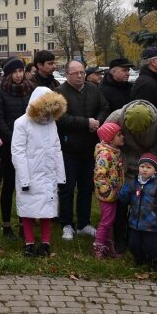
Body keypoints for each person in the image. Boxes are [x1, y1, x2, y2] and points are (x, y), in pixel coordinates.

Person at [104, 100, 157, 254]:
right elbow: (106, 139)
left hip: (144, 163)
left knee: (141, 201)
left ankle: (136, 235)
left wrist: (146, 167)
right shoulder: (116, 116)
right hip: (121, 160)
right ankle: (119, 236)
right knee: (120, 200)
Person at [56, 60, 110, 240]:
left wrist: (97, 122)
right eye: (75, 73)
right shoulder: (59, 93)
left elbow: (104, 107)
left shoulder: (93, 89)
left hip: (90, 148)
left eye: (82, 72)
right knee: (67, 188)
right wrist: (85, 123)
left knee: (86, 187)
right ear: (67, 75)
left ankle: (84, 223)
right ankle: (66, 224)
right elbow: (60, 118)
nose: (80, 76)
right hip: (68, 148)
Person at [11, 87, 67, 257]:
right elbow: (18, 151)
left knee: (47, 210)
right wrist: (24, 179)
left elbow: (57, 149)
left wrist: (60, 175)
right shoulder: (22, 123)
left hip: (48, 173)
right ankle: (29, 243)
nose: (46, 115)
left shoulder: (51, 124)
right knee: (27, 209)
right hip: (29, 173)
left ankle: (45, 243)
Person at [0, 57, 34, 239]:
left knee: (27, 185)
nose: (18, 75)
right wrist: (14, 137)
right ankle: (6, 224)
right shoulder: (0, 91)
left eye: (20, 71)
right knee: (9, 185)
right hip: (9, 144)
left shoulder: (31, 88)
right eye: (14, 72)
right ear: (8, 74)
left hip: (30, 145)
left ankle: (25, 222)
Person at [117, 153, 157, 271]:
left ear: (155, 171)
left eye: (148, 167)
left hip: (151, 224)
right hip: (135, 222)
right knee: (133, 244)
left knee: (150, 246)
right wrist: (124, 191)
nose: (144, 170)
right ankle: (139, 258)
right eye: (142, 167)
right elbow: (124, 200)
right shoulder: (133, 182)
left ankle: (155, 260)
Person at [92, 122, 125, 259]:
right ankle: (98, 245)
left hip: (113, 192)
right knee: (106, 220)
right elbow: (99, 175)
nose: (122, 137)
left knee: (110, 220)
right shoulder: (105, 155)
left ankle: (107, 244)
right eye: (119, 135)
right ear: (110, 138)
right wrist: (106, 191)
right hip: (106, 193)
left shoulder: (115, 152)